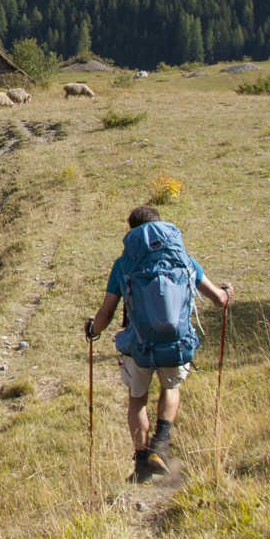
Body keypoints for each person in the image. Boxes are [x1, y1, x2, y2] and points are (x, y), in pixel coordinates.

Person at [84, 205, 232, 482]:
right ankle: (160, 447)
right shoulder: (185, 260)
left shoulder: (124, 264)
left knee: (137, 399)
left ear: (132, 233)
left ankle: (141, 466)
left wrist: (93, 329)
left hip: (138, 346)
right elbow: (218, 299)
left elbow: (106, 315)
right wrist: (226, 292)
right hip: (176, 344)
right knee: (171, 387)